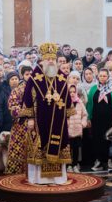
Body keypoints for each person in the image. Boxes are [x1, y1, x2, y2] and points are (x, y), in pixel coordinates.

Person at [20, 43, 73, 183]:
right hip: (39, 120)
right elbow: (27, 98)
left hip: (59, 121)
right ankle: (37, 178)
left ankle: (58, 178)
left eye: (52, 58)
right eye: (47, 58)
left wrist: (67, 117)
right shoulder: (34, 77)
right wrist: (30, 117)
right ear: (42, 59)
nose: (50, 61)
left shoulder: (61, 77)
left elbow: (67, 98)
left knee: (59, 143)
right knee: (39, 144)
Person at [86, 67, 112, 172]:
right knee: (97, 140)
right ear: (98, 76)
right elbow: (89, 105)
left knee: (109, 140)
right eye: (100, 76)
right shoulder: (93, 88)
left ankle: (109, 161)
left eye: (104, 76)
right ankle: (99, 161)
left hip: (110, 119)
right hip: (96, 120)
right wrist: (88, 118)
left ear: (108, 77)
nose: (102, 77)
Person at [66, 84, 87, 173]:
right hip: (68, 129)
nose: (72, 94)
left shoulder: (79, 102)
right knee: (68, 148)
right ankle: (68, 165)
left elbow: (85, 114)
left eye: (74, 92)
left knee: (76, 148)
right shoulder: (64, 102)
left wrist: (82, 124)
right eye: (70, 92)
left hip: (77, 129)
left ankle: (75, 164)